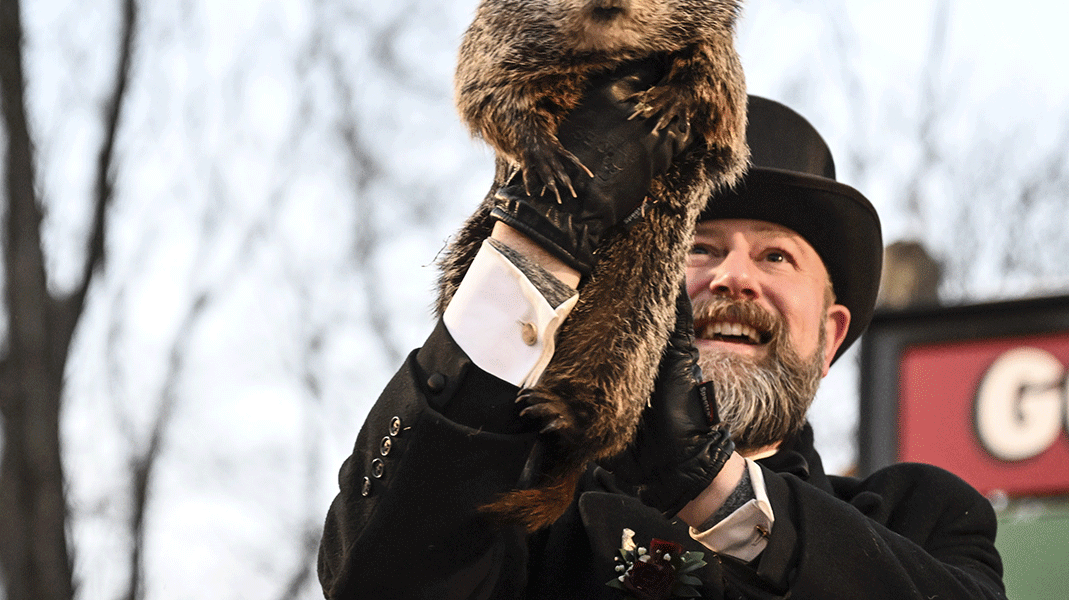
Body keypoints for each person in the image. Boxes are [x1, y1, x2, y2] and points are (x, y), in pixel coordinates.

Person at [317, 66, 1006, 599]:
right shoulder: (524, 498)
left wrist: (716, 490)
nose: (735, 277)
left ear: (829, 337)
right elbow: (381, 575)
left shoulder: (921, 520)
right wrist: (528, 263)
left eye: (776, 256)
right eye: (698, 248)